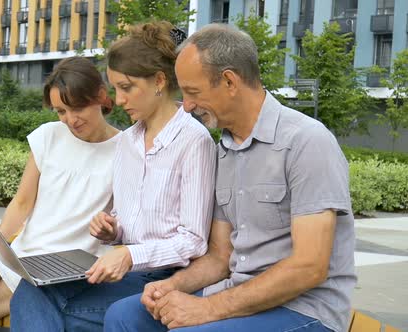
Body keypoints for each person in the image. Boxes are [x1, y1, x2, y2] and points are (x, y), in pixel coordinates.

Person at [104, 23, 357, 332]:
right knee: (125, 316)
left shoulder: (305, 141)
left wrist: (207, 309)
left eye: (193, 93)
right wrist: (173, 286)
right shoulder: (224, 150)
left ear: (229, 82)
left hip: (304, 309)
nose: (188, 106)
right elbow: (220, 257)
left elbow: (309, 267)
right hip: (236, 292)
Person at [9, 21, 216, 332]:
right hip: (126, 272)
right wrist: (112, 229)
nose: (118, 100)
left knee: (55, 309)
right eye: (116, 88)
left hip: (168, 278)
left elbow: (194, 241)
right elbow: (128, 217)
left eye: (126, 87)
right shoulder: (129, 141)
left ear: (159, 81)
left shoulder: (194, 141)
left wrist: (130, 254)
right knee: (30, 289)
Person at [0, 56, 121, 332]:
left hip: (64, 269)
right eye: (60, 111)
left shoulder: (126, 150)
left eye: (77, 108)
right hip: (24, 254)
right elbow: (22, 203)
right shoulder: (49, 136)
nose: (70, 120)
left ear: (100, 96)